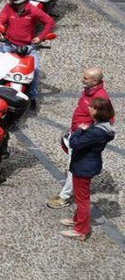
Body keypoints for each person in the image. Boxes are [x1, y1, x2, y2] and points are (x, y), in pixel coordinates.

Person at [50, 69, 113, 208]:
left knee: (74, 168)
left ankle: (64, 197)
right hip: (77, 133)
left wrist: (88, 134)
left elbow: (108, 121)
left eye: (85, 78)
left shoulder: (101, 98)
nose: (82, 79)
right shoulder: (88, 90)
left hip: (83, 139)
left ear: (95, 81)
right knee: (72, 166)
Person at [0, 0, 55, 104]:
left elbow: (49, 22)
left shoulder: (33, 10)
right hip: (8, 44)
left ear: (17, 0)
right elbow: (0, 20)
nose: (9, 1)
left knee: (35, 70)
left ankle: (32, 97)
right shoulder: (8, 8)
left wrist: (40, 37)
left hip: (28, 47)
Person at [63, 99, 115, 240]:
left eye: (92, 107)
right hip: (86, 164)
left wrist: (79, 130)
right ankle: (77, 220)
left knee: (82, 199)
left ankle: (81, 230)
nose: (89, 108)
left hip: (84, 166)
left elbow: (75, 143)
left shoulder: (97, 132)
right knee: (81, 196)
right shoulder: (102, 126)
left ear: (99, 111)